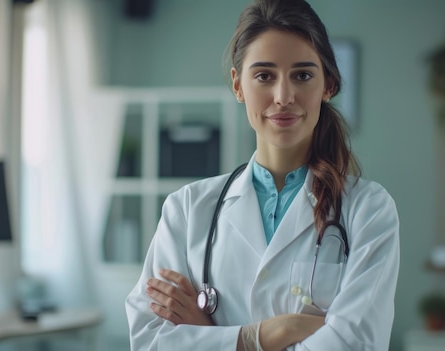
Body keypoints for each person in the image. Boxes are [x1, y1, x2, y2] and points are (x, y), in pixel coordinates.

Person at [125, 0, 400, 349]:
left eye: (302, 75)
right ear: (239, 86)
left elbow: (356, 343)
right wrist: (265, 335)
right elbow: (149, 340)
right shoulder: (187, 209)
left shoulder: (368, 210)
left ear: (328, 84)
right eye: (264, 76)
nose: (284, 96)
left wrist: (209, 334)